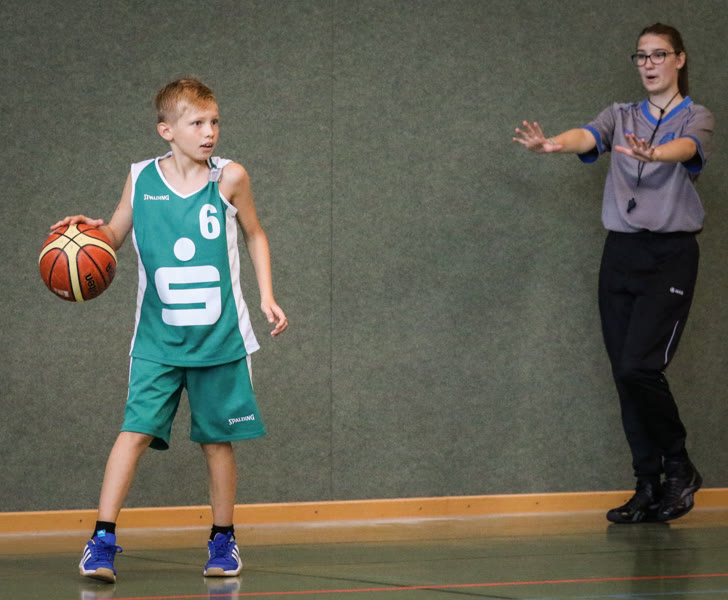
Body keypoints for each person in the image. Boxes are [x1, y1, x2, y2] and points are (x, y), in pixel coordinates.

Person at [52, 78, 288, 582]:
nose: (209, 132)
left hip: (220, 339)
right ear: (167, 131)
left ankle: (223, 541)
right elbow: (113, 235)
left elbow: (255, 233)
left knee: (217, 442)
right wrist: (83, 236)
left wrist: (266, 295)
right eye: (196, 123)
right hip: (157, 340)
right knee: (133, 433)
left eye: (214, 121)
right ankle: (101, 541)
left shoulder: (230, 177)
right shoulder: (141, 178)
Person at [513, 24, 713, 524]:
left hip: (669, 255)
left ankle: (679, 466)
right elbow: (588, 135)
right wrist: (554, 145)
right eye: (641, 56)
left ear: (679, 60)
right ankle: (647, 485)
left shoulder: (696, 115)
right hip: (621, 253)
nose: (649, 64)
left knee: (638, 367)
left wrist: (656, 153)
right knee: (624, 374)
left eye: (659, 55)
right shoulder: (619, 115)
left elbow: (688, 149)